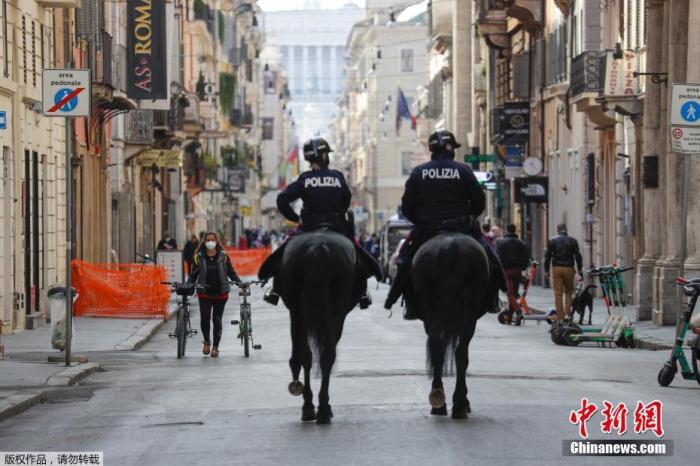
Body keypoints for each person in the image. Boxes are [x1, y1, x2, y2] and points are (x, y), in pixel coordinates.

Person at [384, 130, 507, 319]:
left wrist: (421, 220)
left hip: (427, 229)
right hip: (462, 227)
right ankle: (493, 297)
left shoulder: (419, 172)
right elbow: (479, 202)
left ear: (433, 149)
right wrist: (470, 216)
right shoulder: (463, 170)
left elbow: (407, 206)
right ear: (449, 148)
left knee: (405, 261)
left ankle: (402, 300)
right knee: (490, 255)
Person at [259, 137, 381, 308]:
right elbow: (346, 200)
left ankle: (276, 290)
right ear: (324, 157)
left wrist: (295, 218)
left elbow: (282, 200)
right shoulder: (338, 177)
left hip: (309, 228)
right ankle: (362, 292)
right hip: (337, 227)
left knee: (284, 254)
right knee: (357, 255)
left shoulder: (305, 178)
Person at [187, 232, 242, 357]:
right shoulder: (199, 256)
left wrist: (239, 282)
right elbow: (193, 274)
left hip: (220, 292)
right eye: (208, 240)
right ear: (204, 242)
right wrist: (188, 284)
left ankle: (215, 347)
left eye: (212, 240)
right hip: (204, 292)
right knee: (205, 318)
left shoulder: (223, 256)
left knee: (217, 320)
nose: (210, 242)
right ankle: (207, 342)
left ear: (216, 241)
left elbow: (231, 272)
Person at [544, 223, 583, 321]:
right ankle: (567, 314)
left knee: (558, 293)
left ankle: (560, 316)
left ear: (558, 230)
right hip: (569, 268)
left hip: (557, 268)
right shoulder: (573, 241)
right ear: (566, 230)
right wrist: (580, 269)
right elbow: (578, 256)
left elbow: (547, 256)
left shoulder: (552, 241)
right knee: (569, 291)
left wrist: (546, 270)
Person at [496, 224, 530, 316]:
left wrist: (499, 270)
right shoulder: (521, 243)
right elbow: (526, 259)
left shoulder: (500, 242)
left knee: (510, 294)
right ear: (515, 231)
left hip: (506, 271)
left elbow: (498, 258)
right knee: (513, 294)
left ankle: (518, 311)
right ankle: (510, 316)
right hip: (517, 271)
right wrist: (522, 268)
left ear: (507, 230)